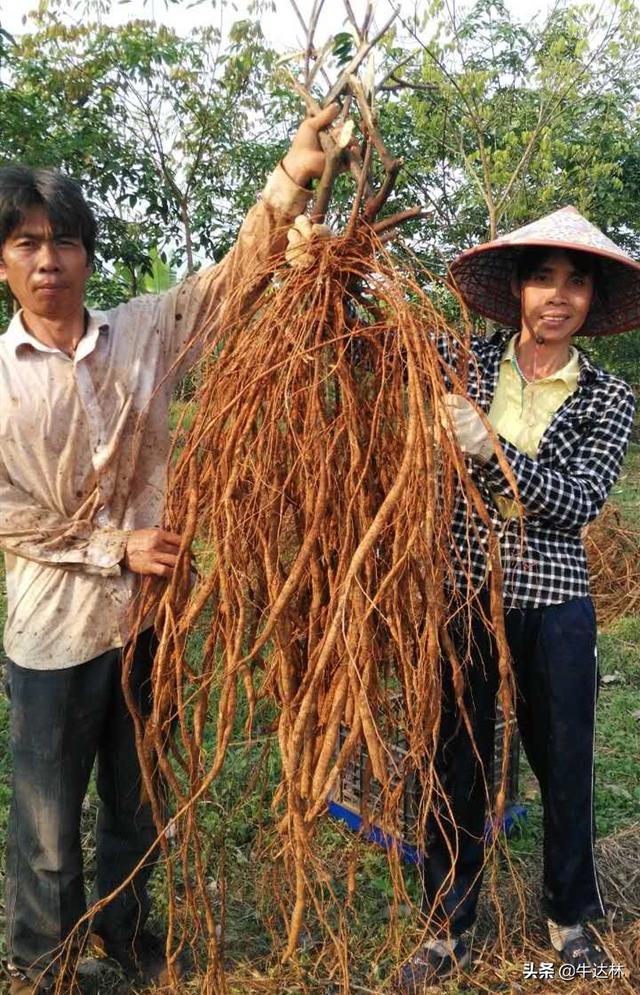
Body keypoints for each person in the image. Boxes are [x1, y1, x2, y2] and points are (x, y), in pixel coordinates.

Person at [0, 105, 339, 995]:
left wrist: (294, 174)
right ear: (4, 261)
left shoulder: (147, 330)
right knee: (45, 821)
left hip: (150, 620)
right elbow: (9, 514)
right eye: (28, 243)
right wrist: (119, 543)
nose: (48, 261)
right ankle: (44, 962)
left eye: (65, 242)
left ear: (87, 254)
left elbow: (231, 282)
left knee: (139, 803)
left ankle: (130, 936)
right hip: (52, 633)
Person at [397, 206, 639, 991]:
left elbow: (577, 502)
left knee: (564, 760)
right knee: (454, 757)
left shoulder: (609, 397)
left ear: (591, 303)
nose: (558, 295)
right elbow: (371, 341)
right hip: (462, 587)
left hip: (556, 598)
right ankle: (447, 926)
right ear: (519, 290)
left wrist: (488, 449)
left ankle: (568, 920)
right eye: (544, 277)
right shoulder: (456, 359)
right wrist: (320, 256)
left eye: (576, 282)